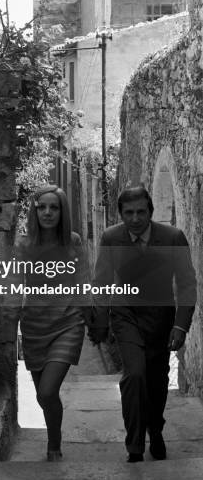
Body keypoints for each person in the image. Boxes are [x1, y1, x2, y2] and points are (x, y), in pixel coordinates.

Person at [89, 186, 196, 463]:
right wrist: (100, 323)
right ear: (121, 214)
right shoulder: (111, 238)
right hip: (125, 315)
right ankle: (134, 444)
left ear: (150, 211)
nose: (135, 218)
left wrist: (181, 326)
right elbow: (101, 282)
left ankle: (155, 429)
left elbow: (186, 283)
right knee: (134, 375)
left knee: (157, 380)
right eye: (129, 213)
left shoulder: (172, 238)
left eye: (140, 212)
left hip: (161, 318)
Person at [18, 185, 89, 461]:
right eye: (42, 207)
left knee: (48, 391)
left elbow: (83, 282)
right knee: (42, 396)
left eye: (54, 207)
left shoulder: (73, 242)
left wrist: (90, 317)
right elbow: (14, 287)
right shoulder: (23, 246)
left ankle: (54, 444)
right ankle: (54, 438)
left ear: (62, 212)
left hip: (68, 323)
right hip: (34, 327)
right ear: (35, 211)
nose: (48, 212)